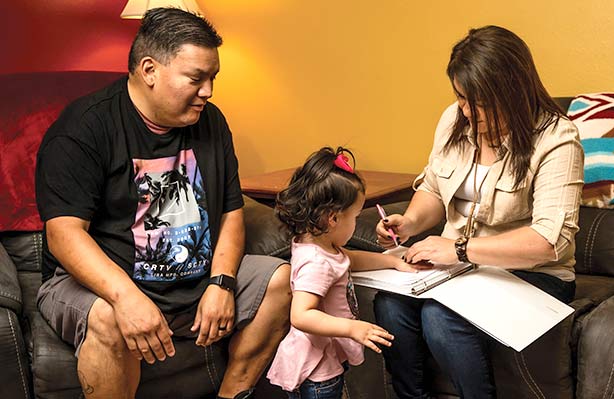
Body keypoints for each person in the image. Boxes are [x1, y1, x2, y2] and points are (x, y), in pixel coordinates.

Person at [34, 8, 291, 399]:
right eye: (196, 78)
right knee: (109, 319)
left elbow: (231, 211)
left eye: (212, 78)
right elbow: (64, 234)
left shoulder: (212, 123)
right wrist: (125, 297)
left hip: (195, 275)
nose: (208, 91)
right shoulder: (83, 128)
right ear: (149, 70)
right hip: (105, 282)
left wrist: (222, 282)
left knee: (281, 279)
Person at [373, 25, 584, 398]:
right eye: (460, 98)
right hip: (459, 267)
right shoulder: (453, 120)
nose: (467, 111)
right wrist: (409, 222)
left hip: (532, 273)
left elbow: (549, 241)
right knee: (391, 305)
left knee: (442, 319)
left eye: (479, 103)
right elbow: (434, 191)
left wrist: (457, 250)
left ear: (514, 92)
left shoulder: (557, 138)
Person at [266, 147, 427, 398]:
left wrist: (393, 262)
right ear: (332, 218)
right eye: (355, 217)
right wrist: (353, 329)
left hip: (322, 363)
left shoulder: (318, 246)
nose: (356, 224)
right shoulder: (316, 263)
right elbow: (301, 315)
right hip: (318, 373)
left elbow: (347, 260)